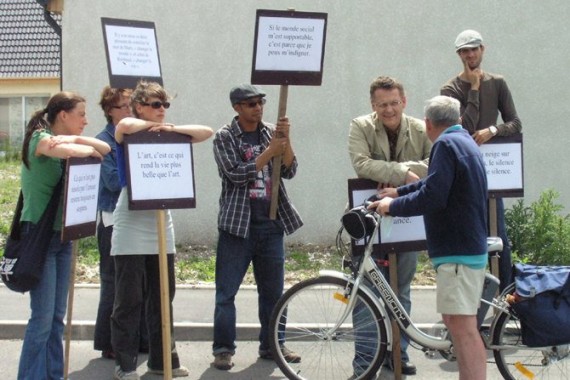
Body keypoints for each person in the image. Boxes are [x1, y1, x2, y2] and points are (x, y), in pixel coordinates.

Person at [373, 95, 489, 380]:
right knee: (456, 322)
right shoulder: (463, 142)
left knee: (463, 328)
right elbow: (434, 183)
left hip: (457, 250)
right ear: (458, 120)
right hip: (463, 246)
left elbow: (434, 196)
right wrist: (399, 192)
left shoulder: (446, 145)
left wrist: (392, 206)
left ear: (427, 124)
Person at [110, 81, 213, 380]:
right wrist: (149, 125)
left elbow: (206, 132)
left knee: (162, 295)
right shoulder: (128, 129)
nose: (162, 110)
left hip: (161, 221)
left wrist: (170, 129)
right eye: (156, 104)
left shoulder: (168, 132)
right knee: (128, 299)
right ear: (140, 105)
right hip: (131, 220)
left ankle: (162, 359)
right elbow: (125, 124)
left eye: (165, 105)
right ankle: (126, 362)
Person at [17, 92, 111, 379]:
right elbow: (72, 152)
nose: (86, 120)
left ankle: (54, 375)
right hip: (40, 238)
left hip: (63, 239)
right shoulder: (39, 139)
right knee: (42, 320)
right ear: (63, 116)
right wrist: (74, 145)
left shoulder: (61, 139)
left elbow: (103, 149)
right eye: (80, 114)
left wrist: (76, 139)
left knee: (57, 319)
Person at [211, 84, 303, 370]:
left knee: (274, 293)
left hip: (271, 224)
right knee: (226, 293)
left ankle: (273, 345)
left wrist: (286, 141)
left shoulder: (269, 132)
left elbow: (290, 170)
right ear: (237, 108)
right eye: (250, 104)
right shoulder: (224, 137)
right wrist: (270, 150)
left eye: (260, 102)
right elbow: (237, 175)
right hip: (238, 227)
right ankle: (223, 349)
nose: (258, 108)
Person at [348, 76, 432, 376]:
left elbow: (433, 162)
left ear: (404, 102)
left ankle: (399, 354)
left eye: (394, 103)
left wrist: (395, 175)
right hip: (370, 215)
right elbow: (361, 163)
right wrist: (405, 173)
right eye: (382, 104)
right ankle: (365, 362)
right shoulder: (360, 126)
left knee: (402, 290)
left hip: (407, 220)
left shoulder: (422, 128)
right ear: (373, 105)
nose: (389, 110)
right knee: (367, 291)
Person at [440, 29, 522, 291]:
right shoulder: (450, 89)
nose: (470, 54)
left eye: (474, 49)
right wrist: (474, 89)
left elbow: (515, 123)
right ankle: (475, 293)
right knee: (472, 237)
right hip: (463, 171)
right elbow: (465, 128)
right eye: (464, 50)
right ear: (458, 54)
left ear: (482, 50)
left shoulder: (497, 83)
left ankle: (507, 297)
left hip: (493, 170)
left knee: (500, 237)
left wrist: (494, 130)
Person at [94, 86, 148, 360]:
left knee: (138, 284)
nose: (128, 111)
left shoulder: (138, 137)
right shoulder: (103, 141)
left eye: (131, 105)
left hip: (137, 218)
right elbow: (113, 182)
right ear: (109, 111)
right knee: (113, 283)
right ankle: (109, 342)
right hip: (112, 219)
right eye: (122, 107)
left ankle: (137, 339)